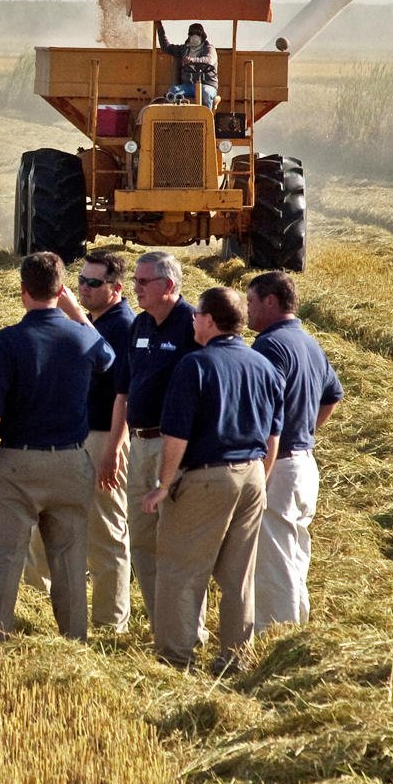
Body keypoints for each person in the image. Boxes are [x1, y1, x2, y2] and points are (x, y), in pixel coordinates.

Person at [0, 252, 115, 642]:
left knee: (7, 560)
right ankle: (74, 639)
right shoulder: (82, 336)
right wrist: (77, 314)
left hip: (17, 465)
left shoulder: (9, 343)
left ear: (22, 292)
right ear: (61, 289)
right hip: (71, 462)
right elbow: (108, 357)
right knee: (69, 561)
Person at [143, 286, 282, 670]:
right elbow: (274, 434)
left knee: (179, 570)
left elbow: (177, 436)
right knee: (239, 576)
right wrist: (260, 479)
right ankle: (236, 657)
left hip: (206, 477)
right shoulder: (264, 366)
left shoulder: (196, 365)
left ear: (208, 320)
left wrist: (162, 485)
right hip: (253, 474)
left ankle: (176, 657)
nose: (192, 319)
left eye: (197, 314)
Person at [22, 249, 138, 631]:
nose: (83, 289)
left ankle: (110, 621)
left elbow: (118, 380)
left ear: (116, 288)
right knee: (46, 522)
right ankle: (34, 601)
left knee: (106, 533)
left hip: (105, 438)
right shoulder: (91, 320)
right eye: (80, 281)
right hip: (73, 436)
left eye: (93, 283)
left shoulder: (124, 325)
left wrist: (114, 449)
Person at [98, 250, 199, 633]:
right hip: (138, 446)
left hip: (173, 448)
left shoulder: (192, 327)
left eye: (143, 282)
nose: (135, 289)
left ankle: (190, 629)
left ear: (169, 286)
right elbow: (123, 392)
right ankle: (163, 629)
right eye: (136, 281)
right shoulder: (139, 325)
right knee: (141, 542)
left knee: (176, 545)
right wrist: (113, 447)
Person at [246, 270, 343, 630]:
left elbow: (263, 408)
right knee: (295, 554)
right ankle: (298, 628)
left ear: (270, 302)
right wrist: (305, 432)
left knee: (274, 561)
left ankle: (278, 636)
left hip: (279, 466)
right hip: (303, 463)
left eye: (252, 302)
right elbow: (332, 395)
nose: (248, 310)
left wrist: (266, 463)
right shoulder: (308, 342)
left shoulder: (270, 346)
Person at [155, 19, 218, 107]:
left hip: (207, 85)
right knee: (173, 92)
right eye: (192, 33)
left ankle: (207, 118)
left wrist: (193, 60)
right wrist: (160, 28)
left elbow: (209, 60)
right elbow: (166, 47)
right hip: (189, 86)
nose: (194, 36)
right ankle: (177, 118)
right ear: (189, 36)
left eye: (198, 33)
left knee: (205, 93)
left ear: (202, 36)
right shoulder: (184, 49)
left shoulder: (209, 48)